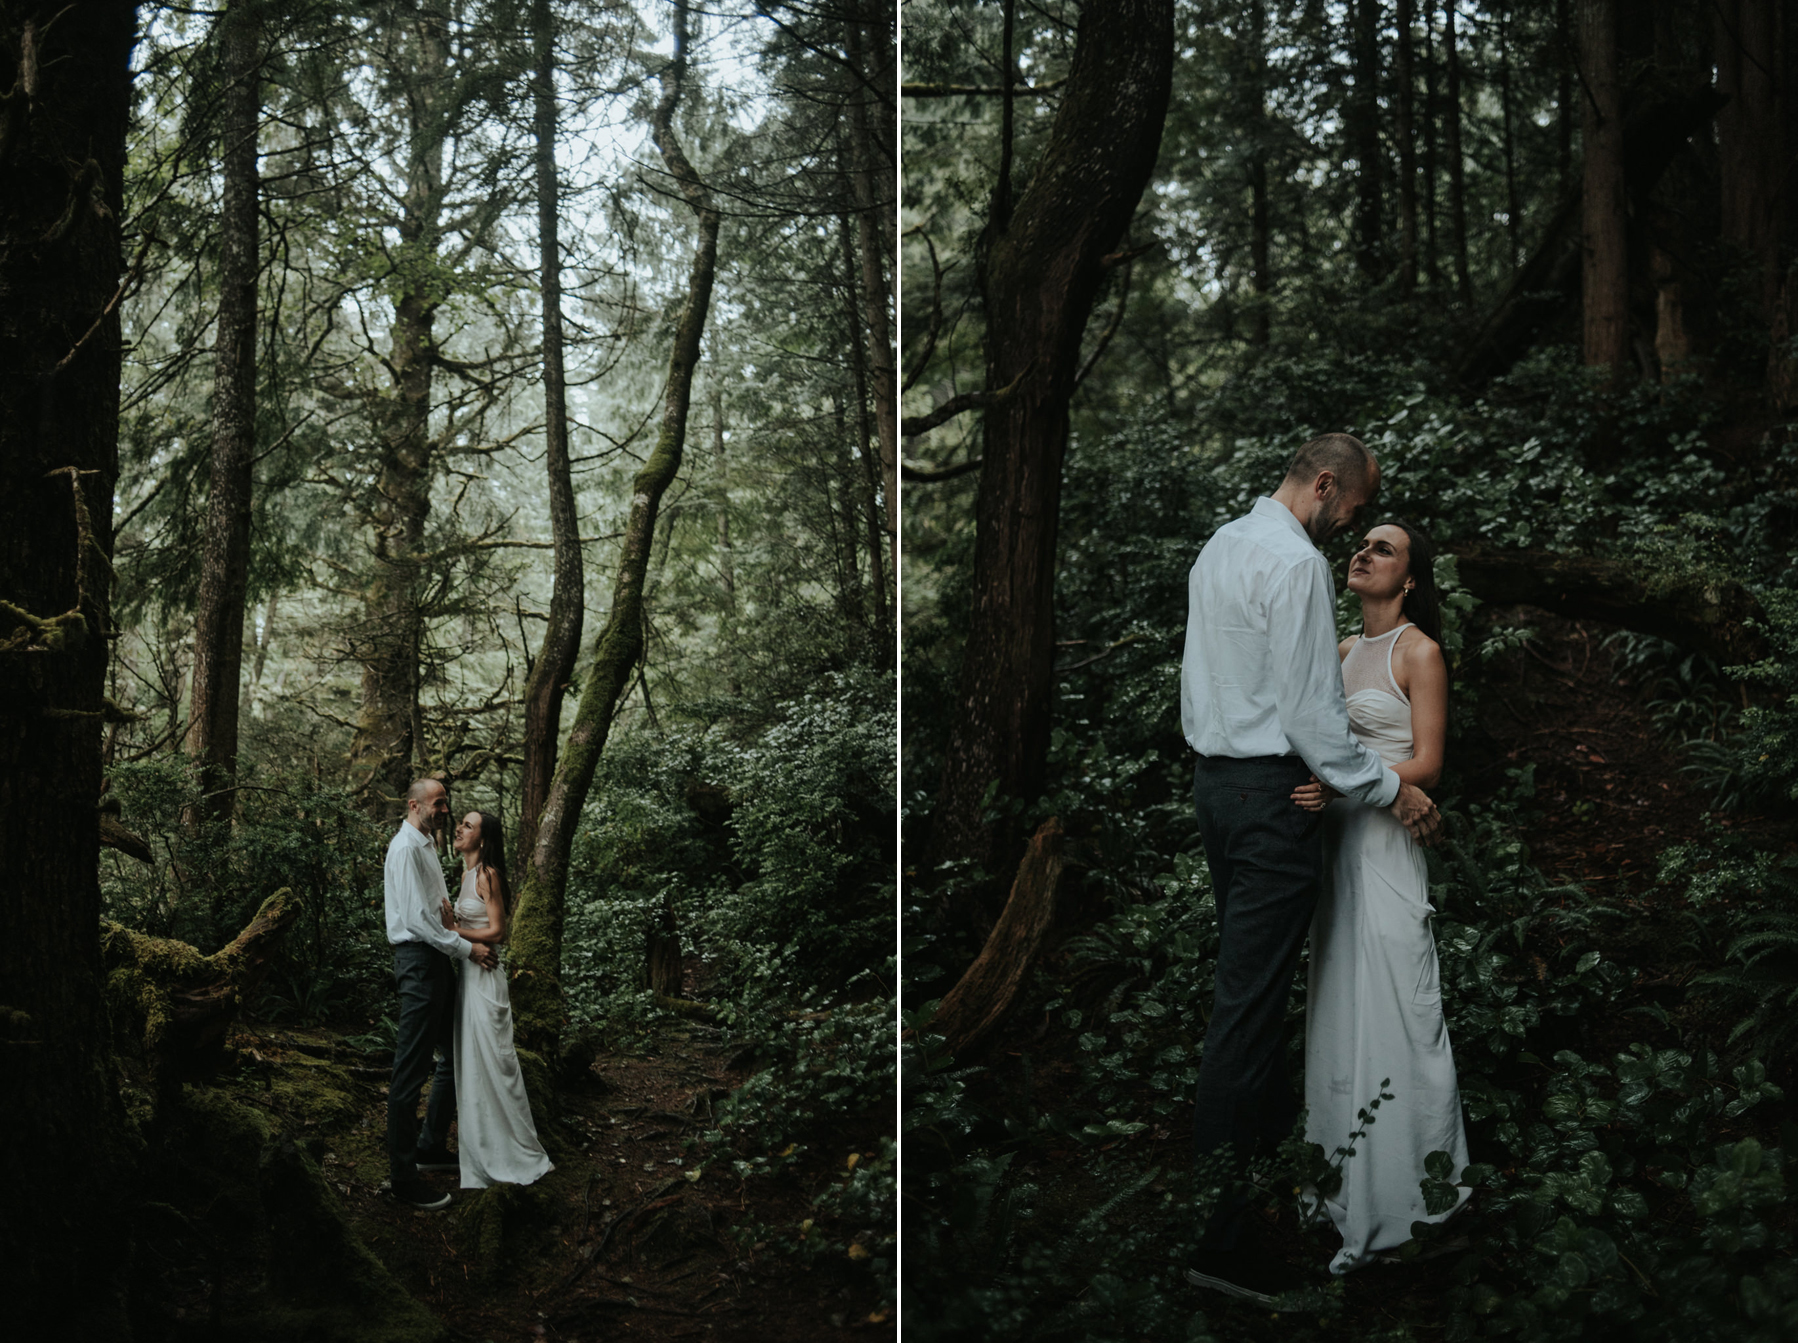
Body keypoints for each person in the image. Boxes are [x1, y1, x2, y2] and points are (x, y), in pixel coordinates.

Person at [1179, 433, 1441, 1306]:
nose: (1352, 528)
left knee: (1244, 1006)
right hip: (1268, 801)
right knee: (1247, 1018)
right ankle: (1220, 1243)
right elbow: (1312, 719)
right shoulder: (1295, 567)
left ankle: (1246, 1211)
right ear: (1325, 484)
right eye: (1354, 511)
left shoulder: (1222, 544)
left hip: (1216, 791)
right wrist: (1386, 792)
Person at [1290, 519, 1471, 1273]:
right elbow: (1316, 744)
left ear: (1409, 581)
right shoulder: (1336, 653)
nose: (1362, 553)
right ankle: (1341, 1187)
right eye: (1361, 543)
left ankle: (1416, 1194)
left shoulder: (1418, 651)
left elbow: (1427, 761)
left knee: (1402, 1003)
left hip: (1389, 848)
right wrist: (1313, 789)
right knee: (1340, 1005)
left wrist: (1352, 782)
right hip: (1337, 849)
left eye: (1384, 548)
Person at [386, 778, 497, 1211]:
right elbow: (416, 922)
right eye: (437, 803)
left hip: (436, 961)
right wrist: (467, 947)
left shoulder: (427, 845)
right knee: (410, 1070)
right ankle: (402, 1177)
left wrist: (454, 929)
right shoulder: (407, 848)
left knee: (453, 1053)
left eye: (446, 803)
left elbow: (433, 910)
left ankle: (431, 1147)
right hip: (419, 963)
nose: (444, 810)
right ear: (414, 805)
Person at [438, 810, 554, 1189]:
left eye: (468, 826)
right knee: (472, 1066)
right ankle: (479, 1150)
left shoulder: (488, 875)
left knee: (495, 1063)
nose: (459, 828)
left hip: (486, 979)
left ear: (484, 840)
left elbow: (500, 932)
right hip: (468, 977)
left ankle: (514, 1150)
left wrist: (457, 931)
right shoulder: (465, 875)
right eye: (462, 823)